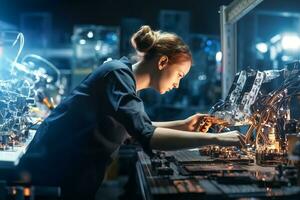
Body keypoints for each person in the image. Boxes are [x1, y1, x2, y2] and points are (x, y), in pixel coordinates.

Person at [17, 25, 244, 199]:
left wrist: (183, 125)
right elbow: (146, 135)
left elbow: (131, 129)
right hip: (52, 176)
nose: (177, 84)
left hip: (68, 174)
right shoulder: (117, 76)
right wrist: (217, 138)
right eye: (179, 76)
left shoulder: (121, 78)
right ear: (163, 62)